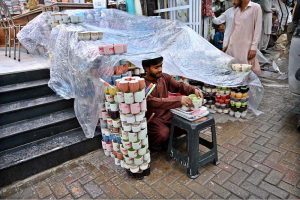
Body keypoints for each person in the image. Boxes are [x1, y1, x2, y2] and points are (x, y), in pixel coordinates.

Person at [142, 56, 203, 151]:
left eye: (161, 66)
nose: (160, 69)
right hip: (153, 119)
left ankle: (168, 140)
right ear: (146, 69)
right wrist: (179, 100)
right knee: (163, 133)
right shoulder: (142, 84)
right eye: (156, 67)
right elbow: (152, 101)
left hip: (168, 115)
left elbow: (179, 86)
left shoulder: (164, 77)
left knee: (187, 126)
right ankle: (154, 146)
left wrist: (193, 89)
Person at [225, 0, 262, 75]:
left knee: (246, 71)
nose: (233, 2)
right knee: (232, 71)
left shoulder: (256, 8)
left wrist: (253, 47)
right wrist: (227, 44)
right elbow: (232, 29)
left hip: (246, 47)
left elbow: (258, 29)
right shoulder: (236, 10)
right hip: (233, 45)